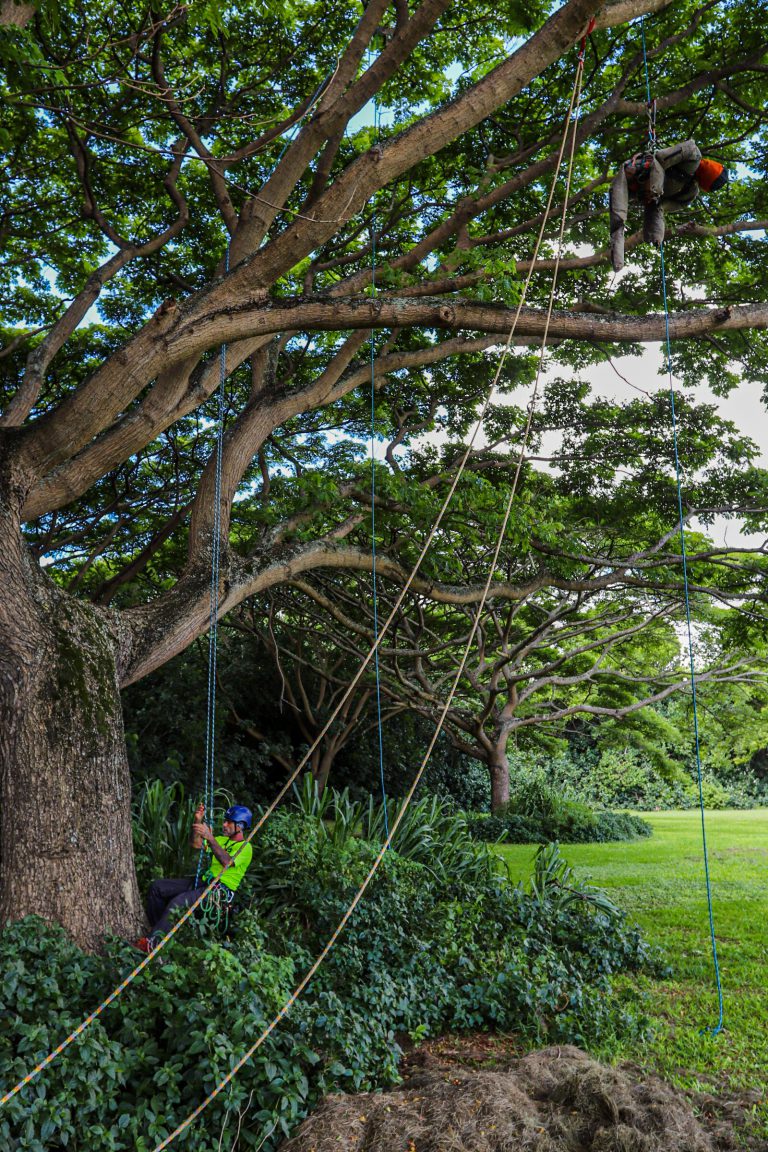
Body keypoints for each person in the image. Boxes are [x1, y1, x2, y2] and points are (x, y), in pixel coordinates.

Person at [135, 803, 254, 952]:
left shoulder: (246, 847)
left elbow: (227, 862)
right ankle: (157, 933)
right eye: (225, 821)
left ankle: (152, 945)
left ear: (241, 826)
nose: (224, 824)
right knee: (157, 888)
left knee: (177, 902)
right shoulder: (221, 840)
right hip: (204, 881)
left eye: (229, 822)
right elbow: (195, 843)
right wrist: (198, 821)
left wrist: (210, 838)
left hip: (219, 890)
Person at [609, 140, 728, 271]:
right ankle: (618, 260)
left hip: (640, 191)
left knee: (619, 219)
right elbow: (660, 158)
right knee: (618, 218)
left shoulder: (690, 192)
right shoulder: (692, 153)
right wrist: (655, 189)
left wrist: (657, 234)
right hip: (637, 173)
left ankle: (619, 260)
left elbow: (659, 207)